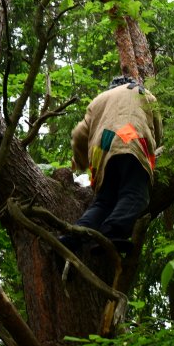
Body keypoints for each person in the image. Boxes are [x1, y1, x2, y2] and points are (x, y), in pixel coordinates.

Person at [60, 76, 162, 253]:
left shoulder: (98, 100)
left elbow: (79, 135)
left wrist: (80, 163)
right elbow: (157, 130)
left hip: (103, 153)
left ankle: (73, 237)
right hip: (131, 141)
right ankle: (111, 233)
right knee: (136, 195)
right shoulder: (144, 93)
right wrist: (154, 149)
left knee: (104, 203)